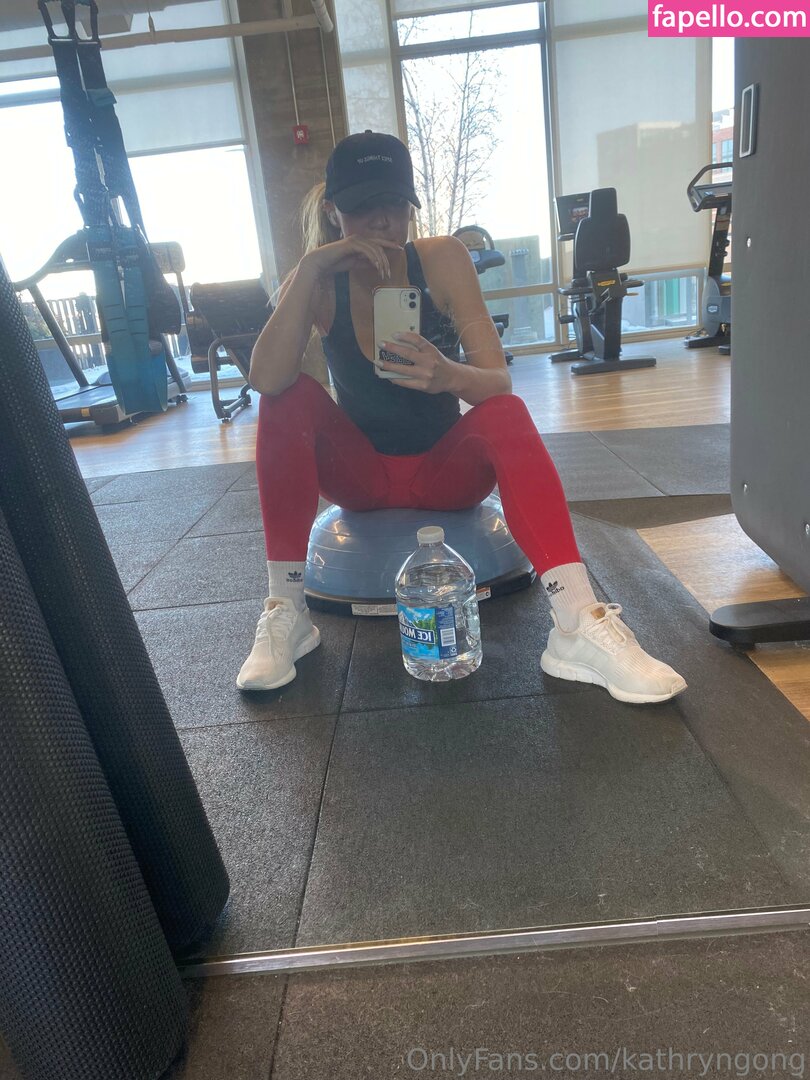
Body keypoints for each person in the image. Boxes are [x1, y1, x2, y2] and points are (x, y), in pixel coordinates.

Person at [238, 130, 687, 705]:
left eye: (393, 203)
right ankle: (287, 611)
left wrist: (447, 375)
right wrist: (310, 266)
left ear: (411, 204)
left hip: (443, 474)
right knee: (284, 398)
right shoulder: (318, 279)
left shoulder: (442, 258)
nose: (381, 221)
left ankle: (577, 623)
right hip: (360, 478)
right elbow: (265, 379)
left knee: (506, 412)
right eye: (361, 207)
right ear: (333, 211)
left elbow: (497, 381)